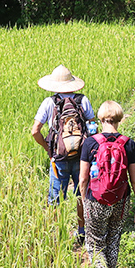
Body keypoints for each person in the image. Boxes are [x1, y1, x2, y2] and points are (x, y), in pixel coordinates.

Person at [78, 100, 135, 268]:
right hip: (121, 200)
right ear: (119, 118)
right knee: (113, 239)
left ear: (100, 118)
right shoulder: (128, 143)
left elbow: (82, 178)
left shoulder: (90, 143)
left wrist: (85, 200)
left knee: (95, 244)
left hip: (96, 200)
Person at [31, 65, 97, 244]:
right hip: (81, 156)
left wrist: (48, 148)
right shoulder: (82, 100)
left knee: (55, 198)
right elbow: (92, 127)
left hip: (58, 158)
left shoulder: (49, 103)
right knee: (81, 193)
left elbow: (35, 131)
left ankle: (57, 236)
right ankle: (82, 232)